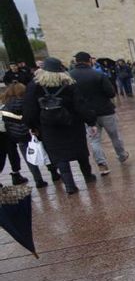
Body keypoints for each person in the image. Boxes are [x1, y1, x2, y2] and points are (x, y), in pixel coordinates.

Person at [22, 57, 98, 194]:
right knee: (80, 151)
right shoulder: (68, 84)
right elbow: (80, 105)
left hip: (48, 126)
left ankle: (69, 185)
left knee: (59, 156)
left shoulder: (34, 85)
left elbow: (29, 109)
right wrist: (91, 121)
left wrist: (32, 126)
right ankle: (88, 176)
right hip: (72, 124)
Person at [69, 52, 129, 175]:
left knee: (94, 140)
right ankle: (121, 155)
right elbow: (111, 93)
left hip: (87, 113)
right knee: (114, 135)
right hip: (105, 110)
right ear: (88, 60)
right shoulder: (97, 74)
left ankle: (102, 164)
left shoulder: (70, 76)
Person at [2, 83, 59, 188]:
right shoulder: (28, 103)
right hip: (34, 133)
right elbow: (34, 116)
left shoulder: (6, 107)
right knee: (45, 152)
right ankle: (54, 173)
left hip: (19, 137)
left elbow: (7, 123)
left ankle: (38, 180)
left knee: (30, 158)